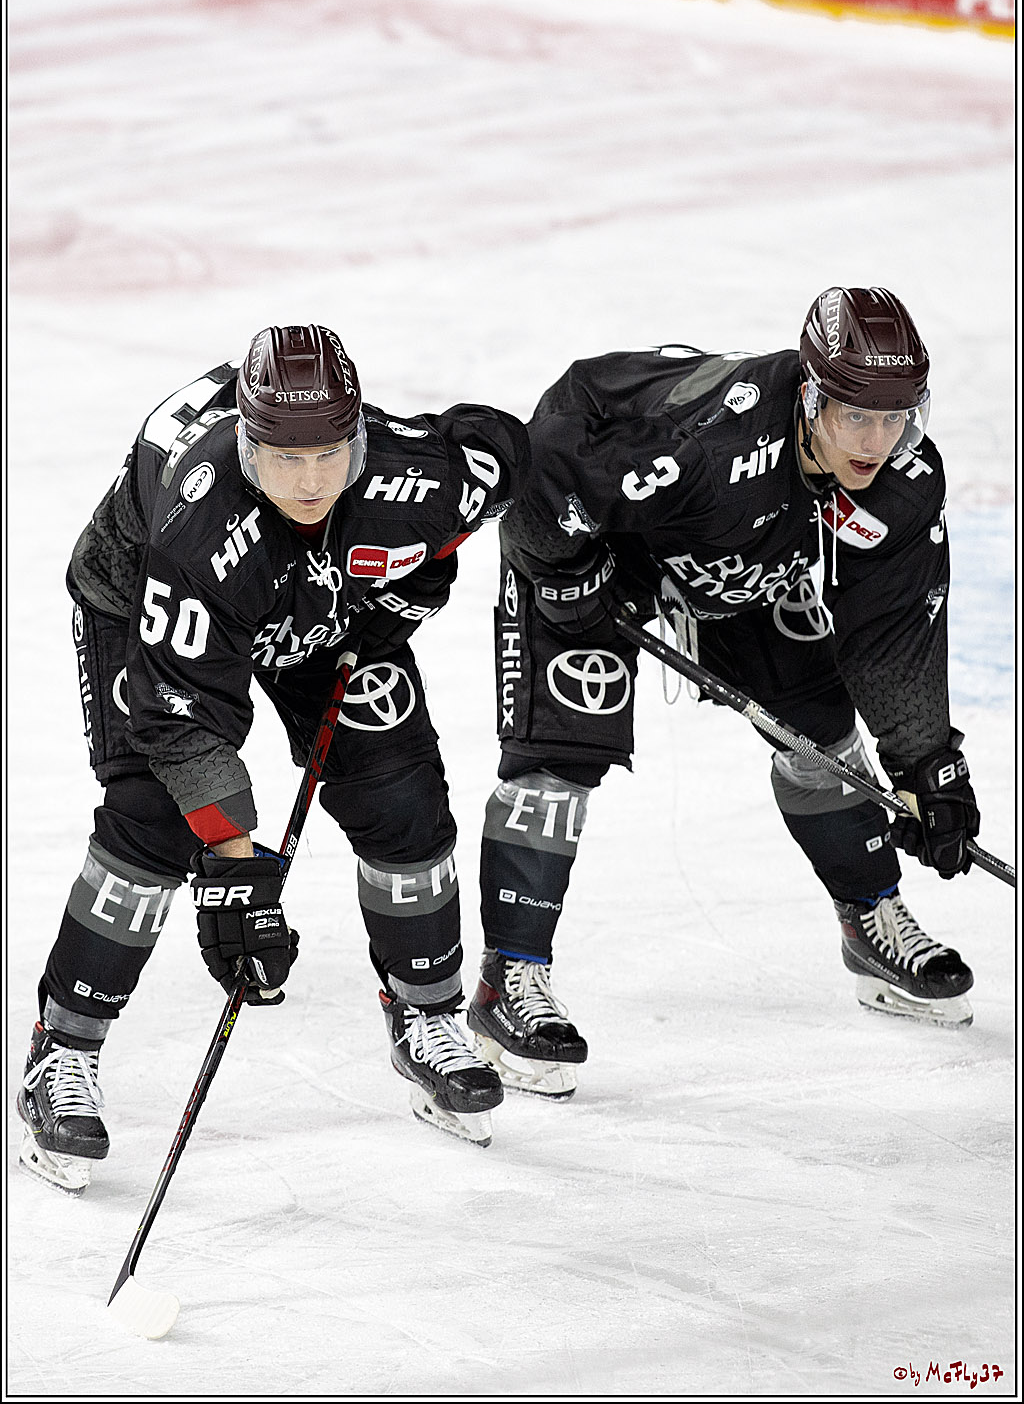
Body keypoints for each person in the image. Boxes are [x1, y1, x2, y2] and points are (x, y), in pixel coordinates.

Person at [17, 323, 529, 1192]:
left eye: (331, 453)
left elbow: (502, 452)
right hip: (144, 596)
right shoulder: (200, 521)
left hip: (321, 604)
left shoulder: (416, 477)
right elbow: (182, 723)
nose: (311, 479)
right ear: (249, 444)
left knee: (400, 795)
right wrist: (235, 868)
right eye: (285, 458)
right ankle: (59, 1053)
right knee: (154, 816)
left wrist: (416, 577)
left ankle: (428, 1015)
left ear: (361, 433)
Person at [469, 287, 982, 1098]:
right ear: (811, 396)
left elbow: (891, 632)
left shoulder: (904, 480)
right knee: (559, 756)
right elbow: (541, 486)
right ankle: (511, 981)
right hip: (603, 540)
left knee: (819, 731)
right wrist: (561, 573)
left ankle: (870, 918)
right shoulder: (706, 445)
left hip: (742, 554)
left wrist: (927, 766)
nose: (877, 442)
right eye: (856, 416)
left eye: (897, 417)